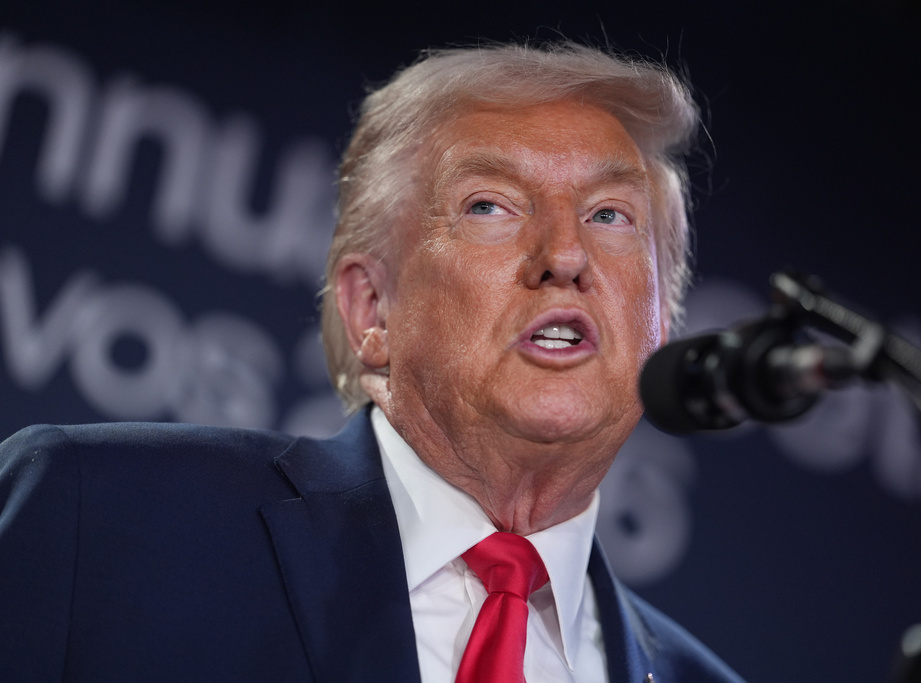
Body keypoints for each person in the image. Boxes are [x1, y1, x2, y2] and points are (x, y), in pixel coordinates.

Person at [0, 42, 744, 682]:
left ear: (663, 324)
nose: (566, 255)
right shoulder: (100, 521)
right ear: (372, 309)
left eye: (610, 214)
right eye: (491, 205)